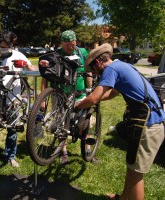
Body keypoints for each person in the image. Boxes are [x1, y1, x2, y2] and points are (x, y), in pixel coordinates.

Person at [75, 43, 165, 200]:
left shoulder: (111, 69)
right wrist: (91, 100)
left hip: (148, 126)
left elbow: (95, 97)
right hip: (153, 123)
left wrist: (77, 105)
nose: (95, 74)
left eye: (94, 71)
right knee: (132, 169)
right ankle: (123, 198)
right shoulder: (122, 66)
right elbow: (112, 93)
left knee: (136, 175)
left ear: (98, 63)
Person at [0, 30, 36, 167]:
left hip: (14, 100)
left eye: (7, 47)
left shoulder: (18, 55)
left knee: (12, 130)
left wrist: (30, 67)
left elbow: (31, 68)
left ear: (12, 44)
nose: (5, 50)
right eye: (2, 47)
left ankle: (10, 156)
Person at [40, 30, 92, 165]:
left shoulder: (82, 53)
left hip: (80, 93)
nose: (71, 48)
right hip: (60, 94)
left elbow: (88, 71)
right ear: (62, 44)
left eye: (73, 44)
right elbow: (45, 77)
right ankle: (63, 152)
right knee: (60, 124)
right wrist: (42, 99)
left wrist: (90, 90)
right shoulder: (55, 55)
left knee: (85, 121)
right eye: (68, 45)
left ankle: (87, 147)